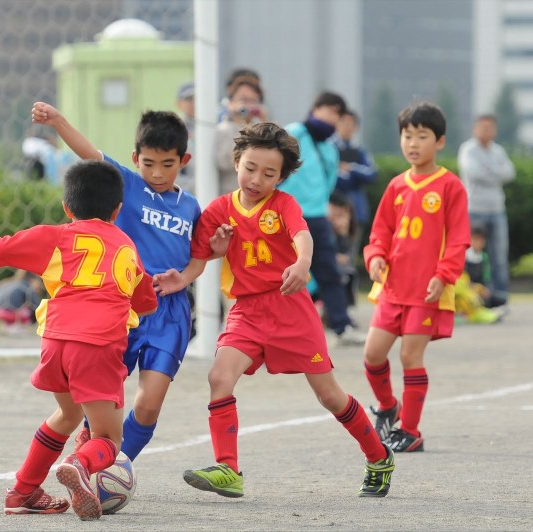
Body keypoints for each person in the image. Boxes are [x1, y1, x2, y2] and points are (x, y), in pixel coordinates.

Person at [155, 122, 395, 498]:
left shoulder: (284, 204)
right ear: (236, 162)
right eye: (250, 168)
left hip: (291, 310)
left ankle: (378, 455)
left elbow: (302, 234)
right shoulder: (218, 210)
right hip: (247, 311)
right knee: (220, 376)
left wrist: (302, 264)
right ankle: (228, 469)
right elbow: (200, 260)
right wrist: (180, 280)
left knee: (329, 395)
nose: (256, 179)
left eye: (269, 173)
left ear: (281, 177)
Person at [0, 160, 158, 520]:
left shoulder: (58, 236)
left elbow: (1, 245)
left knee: (67, 414)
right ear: (117, 210)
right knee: (108, 438)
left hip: (55, 341)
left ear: (67, 207)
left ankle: (22, 491)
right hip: (96, 343)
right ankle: (79, 464)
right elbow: (145, 301)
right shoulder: (126, 246)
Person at [31, 102, 202, 464]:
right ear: (135, 158)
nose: (157, 172)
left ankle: (111, 469)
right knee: (101, 397)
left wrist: (185, 277)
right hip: (122, 307)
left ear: (183, 161)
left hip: (169, 312)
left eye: (167, 164)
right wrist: (59, 120)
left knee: (149, 402)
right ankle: (94, 457)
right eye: (148, 163)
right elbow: (88, 153)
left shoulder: (192, 208)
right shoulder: (127, 184)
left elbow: (200, 257)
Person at [363, 101, 470, 453]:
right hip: (392, 289)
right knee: (372, 355)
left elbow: (458, 239)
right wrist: (375, 256)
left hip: (426, 292)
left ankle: (410, 431)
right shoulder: (396, 186)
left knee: (411, 357)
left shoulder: (450, 186)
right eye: (407, 136)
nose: (412, 143)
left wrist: (444, 275)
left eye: (421, 136)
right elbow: (380, 232)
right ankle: (388, 405)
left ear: (439, 142)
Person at [278, 91, 366, 346]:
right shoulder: (293, 133)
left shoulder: (330, 148)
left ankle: (342, 326)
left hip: (316, 217)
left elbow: (329, 183)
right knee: (279, 272)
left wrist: (320, 205)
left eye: (337, 114)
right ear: (315, 108)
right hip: (286, 214)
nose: (331, 117)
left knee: (328, 271)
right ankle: (279, 329)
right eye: (328, 110)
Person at [457, 114, 515, 309]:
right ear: (475, 129)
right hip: (474, 209)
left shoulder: (498, 151)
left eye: (490, 127)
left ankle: (499, 299)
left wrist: (488, 170)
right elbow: (474, 172)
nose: (486, 131)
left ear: (495, 130)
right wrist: (495, 172)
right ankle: (473, 298)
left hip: (497, 209)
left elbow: (510, 172)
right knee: (470, 257)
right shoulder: (468, 149)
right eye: (482, 127)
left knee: (499, 257)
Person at [332, 109, 377, 259]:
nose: (347, 126)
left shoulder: (359, 151)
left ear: (356, 127)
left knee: (349, 255)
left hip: (356, 210)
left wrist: (351, 168)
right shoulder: (329, 149)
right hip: (332, 209)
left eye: (351, 123)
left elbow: (372, 174)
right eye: (343, 122)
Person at [215, 76, 267, 196]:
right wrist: (238, 122)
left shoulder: (261, 127)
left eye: (253, 101)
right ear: (231, 102)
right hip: (230, 196)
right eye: (243, 100)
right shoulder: (223, 129)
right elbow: (225, 162)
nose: (248, 106)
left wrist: (264, 121)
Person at [454, 224, 503, 324]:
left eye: (481, 240)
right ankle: (468, 313)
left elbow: (486, 278)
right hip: (466, 289)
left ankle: (478, 309)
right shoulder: (463, 256)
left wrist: (484, 289)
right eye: (475, 239)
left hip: (479, 290)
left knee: (498, 299)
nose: (478, 242)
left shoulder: (484, 257)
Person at [175, 81, 196, 193]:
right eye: (189, 99)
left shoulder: (214, 127)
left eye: (196, 98)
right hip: (183, 192)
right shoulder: (173, 128)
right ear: (179, 103)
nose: (193, 103)